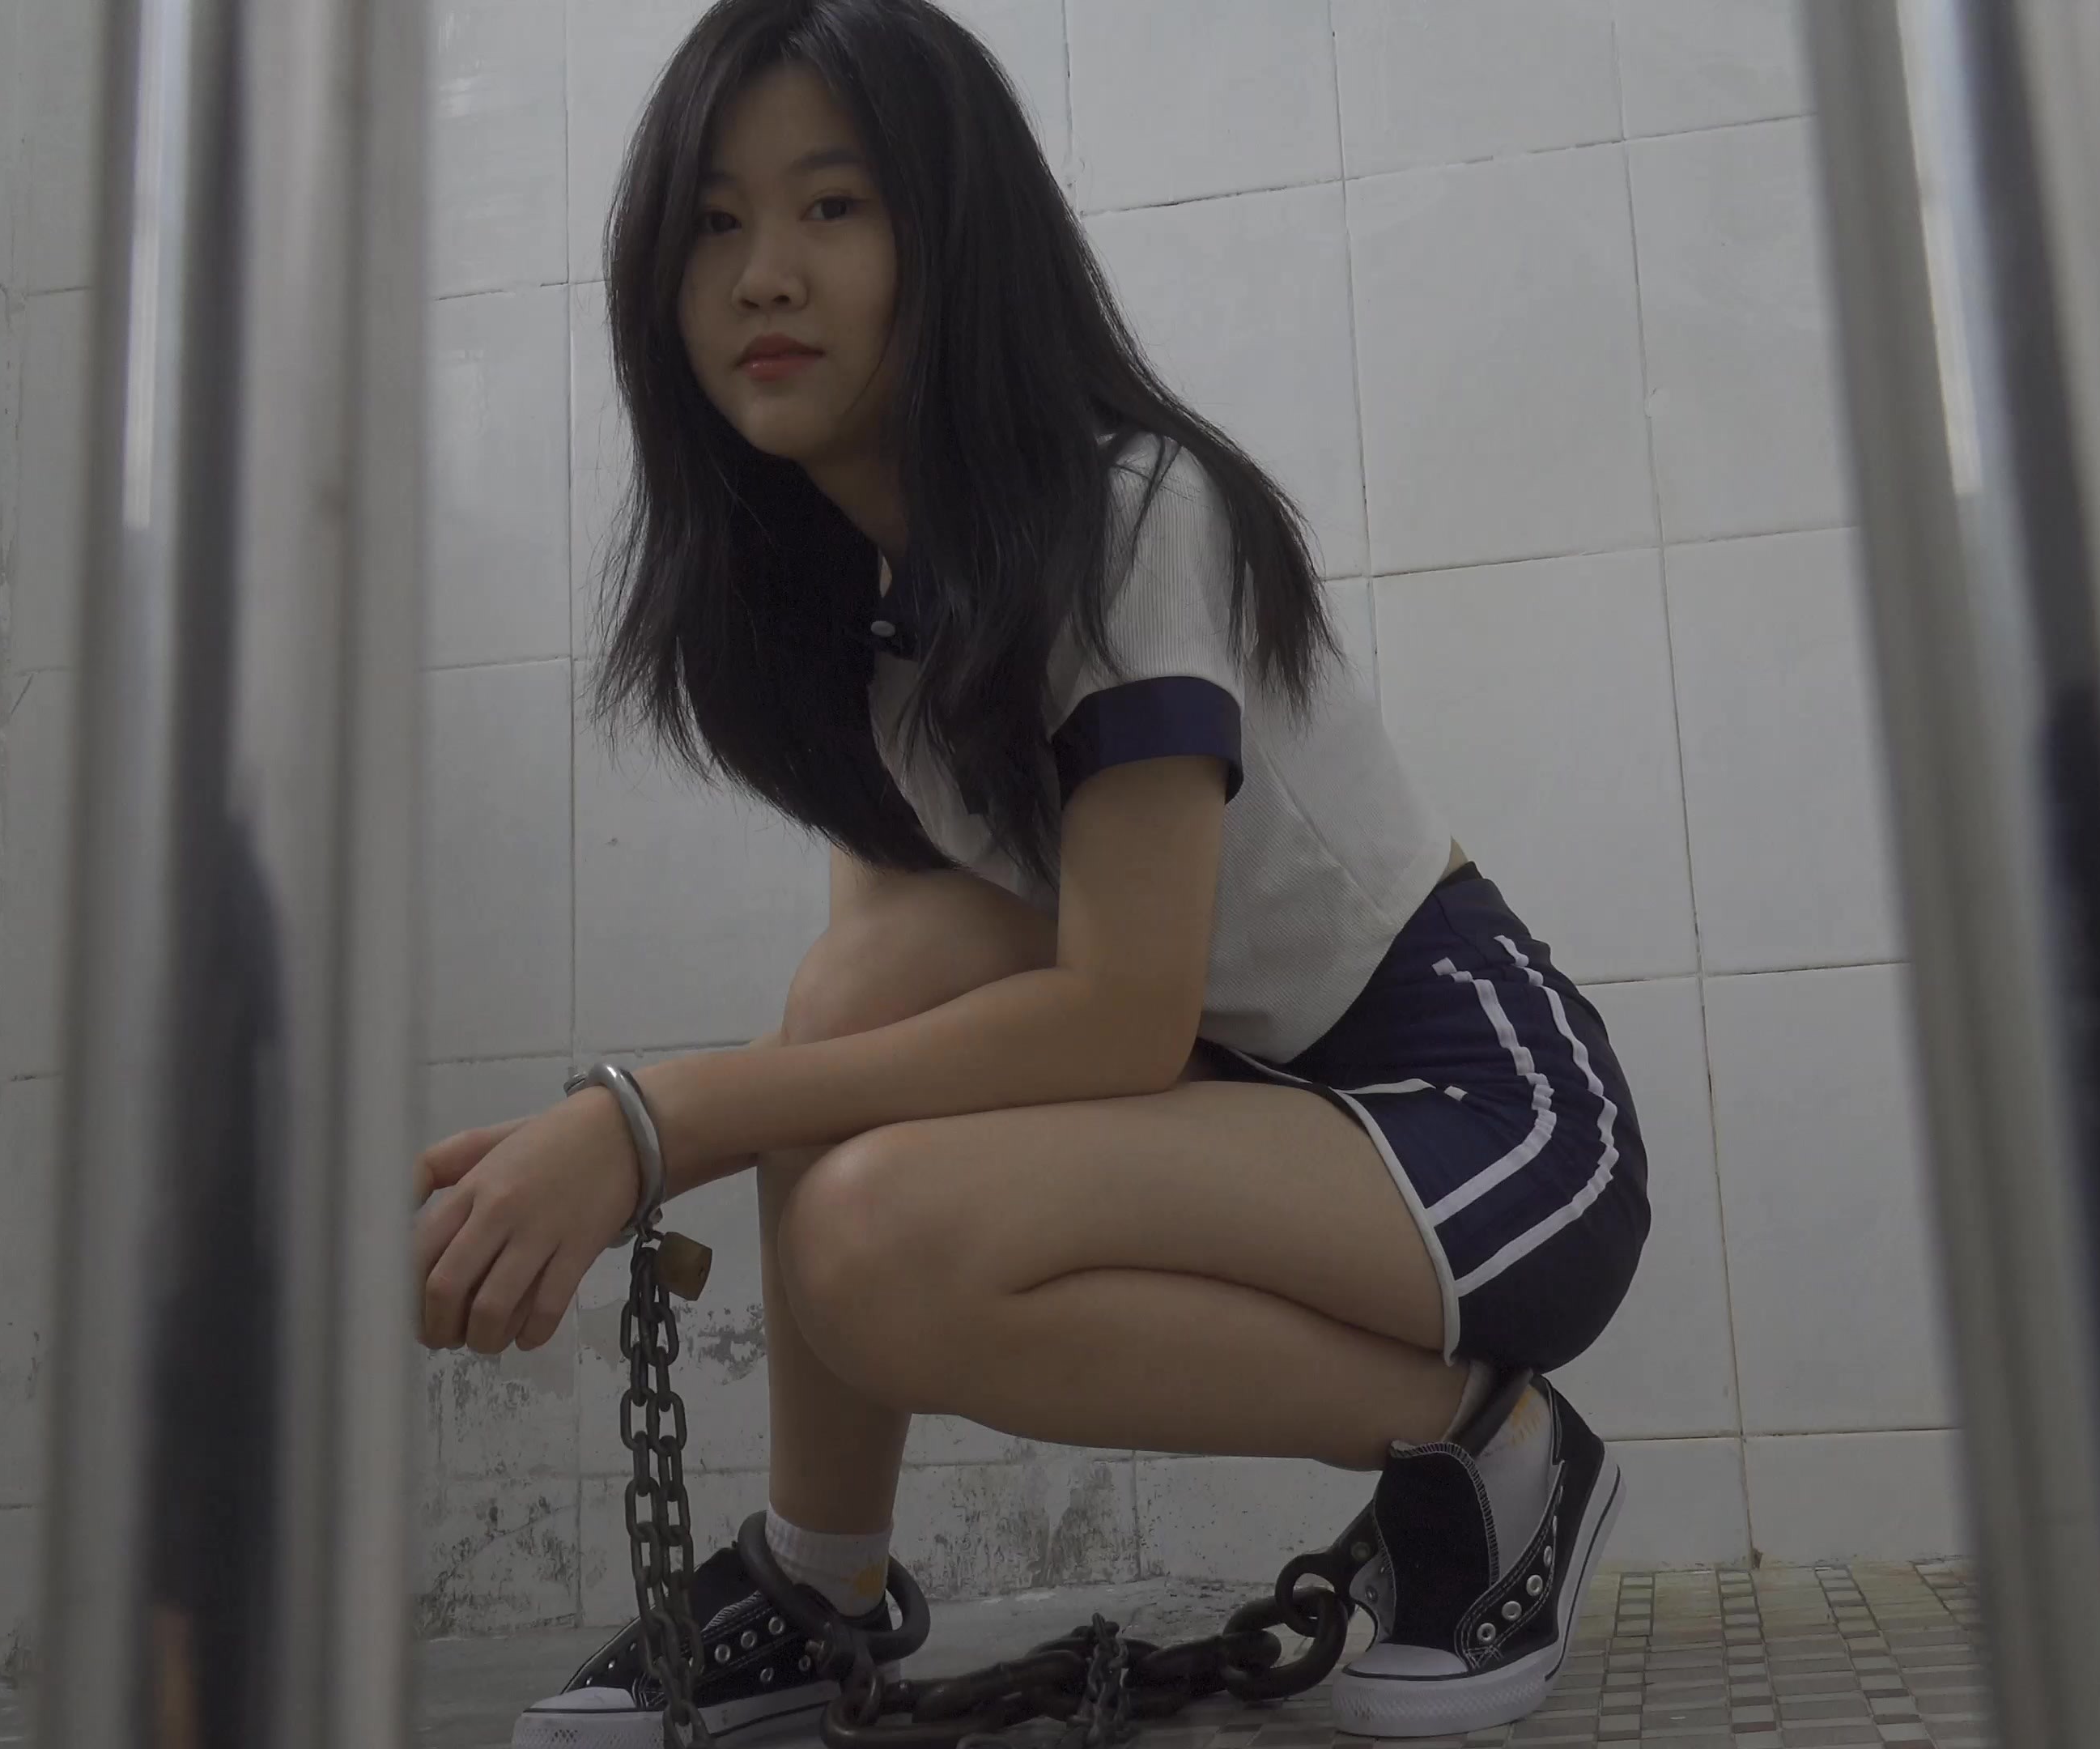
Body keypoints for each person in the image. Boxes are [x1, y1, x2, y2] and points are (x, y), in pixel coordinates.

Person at [410, 2, 1651, 1742]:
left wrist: (648, 1123)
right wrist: (678, 1118)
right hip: (1248, 1103)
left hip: (1484, 1120)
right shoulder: (851, 611)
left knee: (874, 1233)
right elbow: (883, 1015)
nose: (764, 275)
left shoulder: (1128, 512)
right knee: (858, 997)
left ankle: (1500, 1455)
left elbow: (1121, 1016)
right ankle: (822, 1578)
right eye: (714, 221)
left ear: (956, 231)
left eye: (833, 206)